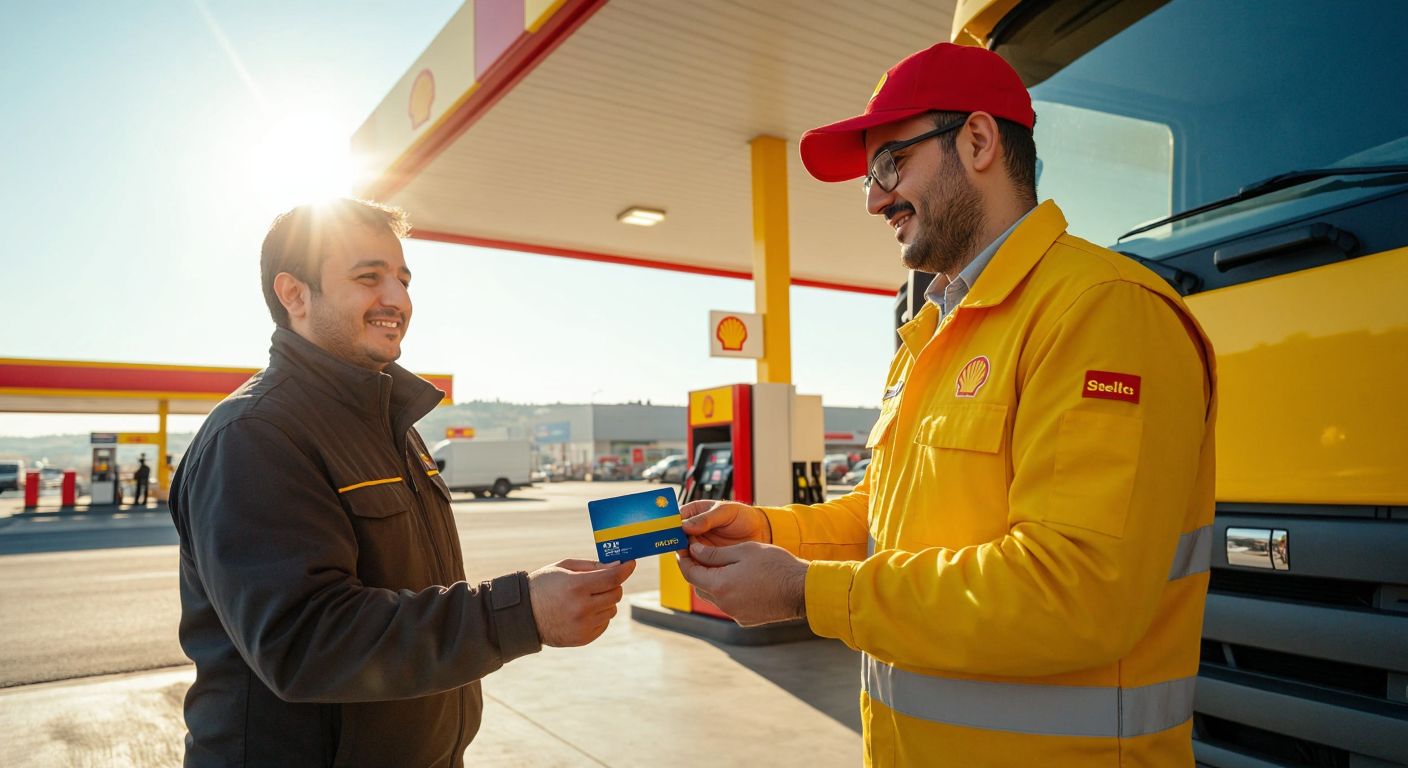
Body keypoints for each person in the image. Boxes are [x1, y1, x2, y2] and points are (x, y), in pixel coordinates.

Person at [677, 42, 1216, 767]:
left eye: (889, 163)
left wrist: (807, 593)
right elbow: (887, 521)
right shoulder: (936, 332)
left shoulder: (1102, 312)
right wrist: (770, 530)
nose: (874, 198)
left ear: (978, 140)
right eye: (870, 177)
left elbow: (1074, 595)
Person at [169, 199, 634, 767]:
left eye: (403, 279)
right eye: (369, 278)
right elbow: (305, 641)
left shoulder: (390, 426)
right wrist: (519, 613)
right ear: (294, 294)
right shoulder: (254, 436)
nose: (398, 300)